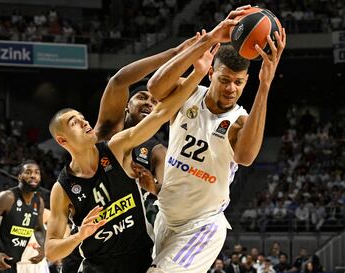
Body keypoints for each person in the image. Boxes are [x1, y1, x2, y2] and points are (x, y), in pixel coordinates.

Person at [45, 27, 222, 273]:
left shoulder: (131, 147)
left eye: (82, 117)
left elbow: (162, 114)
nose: (85, 122)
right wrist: (80, 235)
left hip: (139, 258)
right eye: (75, 122)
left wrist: (197, 73)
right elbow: (51, 250)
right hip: (95, 263)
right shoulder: (70, 178)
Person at [145, 5, 286, 272]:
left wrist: (265, 84)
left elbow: (245, 158)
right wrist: (210, 38)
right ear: (211, 73)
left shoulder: (240, 121)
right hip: (165, 216)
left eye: (239, 82)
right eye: (225, 79)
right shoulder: (188, 93)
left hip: (202, 226)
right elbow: (155, 88)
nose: (232, 88)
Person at [0, 160, 45, 273]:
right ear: (19, 177)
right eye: (28, 172)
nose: (33, 176)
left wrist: (44, 248)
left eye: (36, 172)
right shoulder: (8, 197)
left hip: (14, 264)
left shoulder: (38, 202)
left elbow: (40, 228)